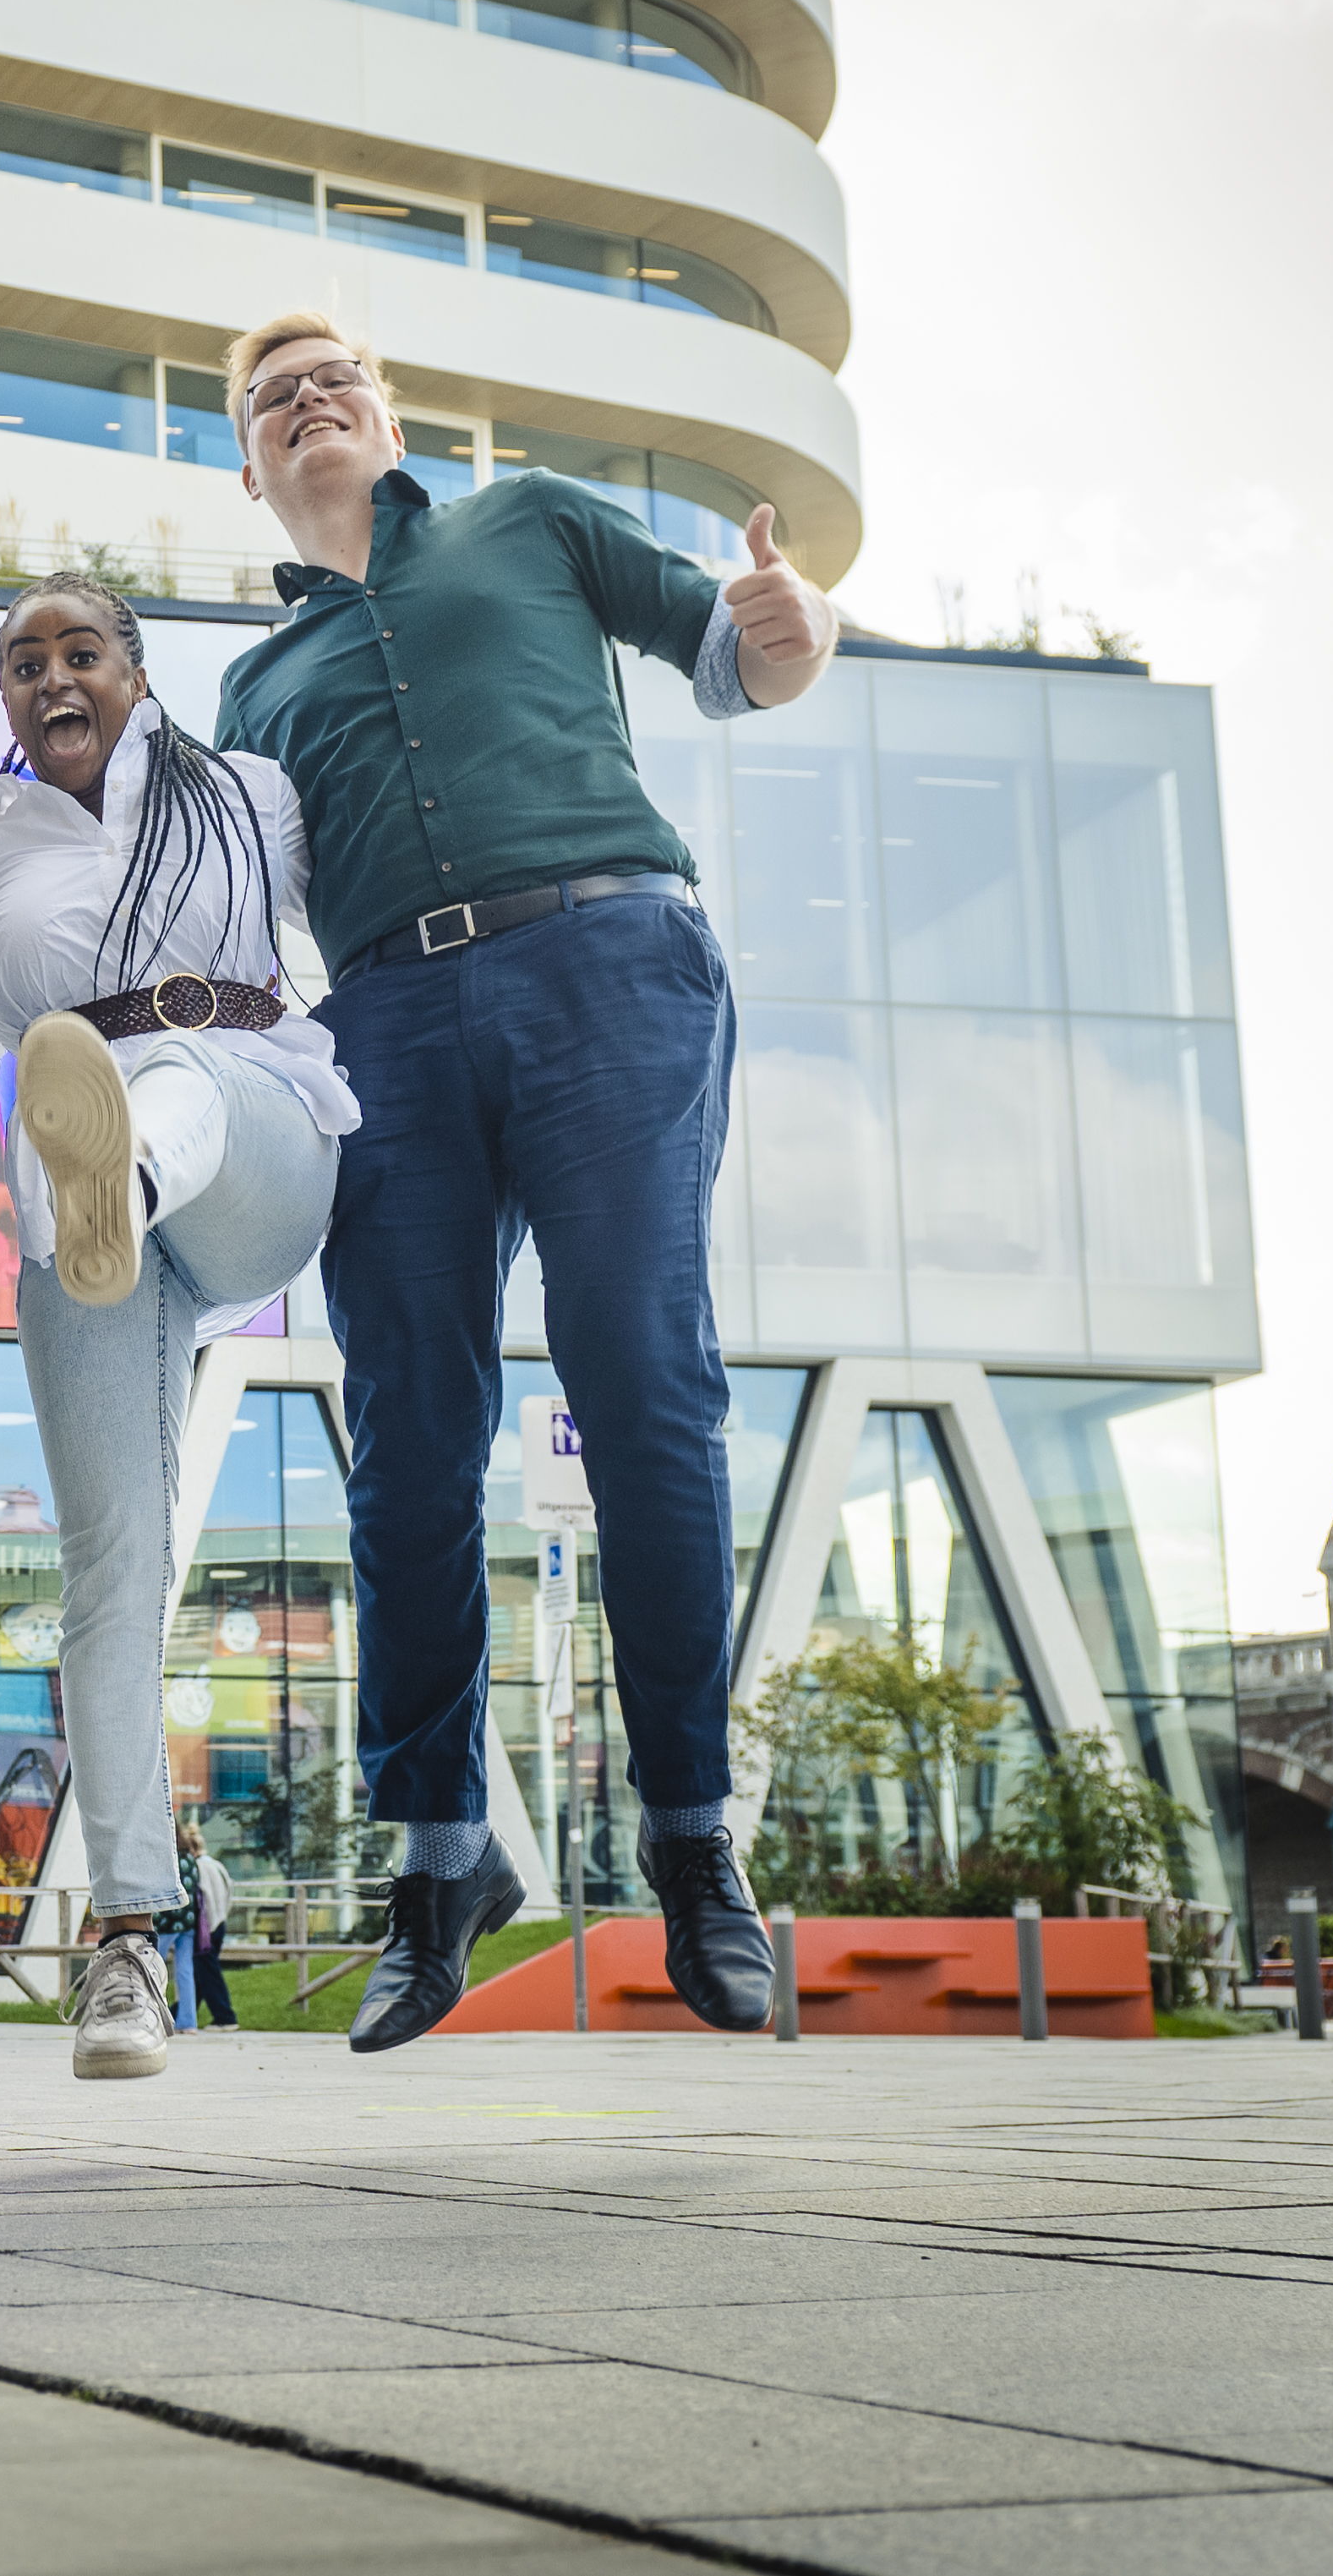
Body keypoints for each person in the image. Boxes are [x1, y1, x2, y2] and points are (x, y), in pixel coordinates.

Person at [205, 310, 829, 2051]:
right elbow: (223, 909)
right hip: (386, 1017)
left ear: (386, 413)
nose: (310, 399)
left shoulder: (530, 520)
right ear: (247, 461)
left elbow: (732, 655)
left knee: (644, 1383)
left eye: (334, 377)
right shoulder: (254, 687)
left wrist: (794, 629)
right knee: (407, 1428)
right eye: (273, 398)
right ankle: (440, 1858)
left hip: (604, 959)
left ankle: (694, 1843)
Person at [0, 578, 353, 2081]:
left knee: (177, 1082)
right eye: (21, 660)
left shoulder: (247, 795)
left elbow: (359, 933)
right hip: (79, 1233)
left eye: (79, 651)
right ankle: (130, 1941)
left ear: (134, 668)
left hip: (252, 1144)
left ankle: (127, 1155)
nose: (53, 675)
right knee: (107, 1575)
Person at [178, 1815, 239, 2031]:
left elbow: (198, 1900)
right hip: (219, 1922)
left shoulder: (196, 1868)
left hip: (205, 1928)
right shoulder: (216, 1865)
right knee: (201, 1971)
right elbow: (229, 1891)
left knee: (207, 1971)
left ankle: (225, 2016)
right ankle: (182, 2012)